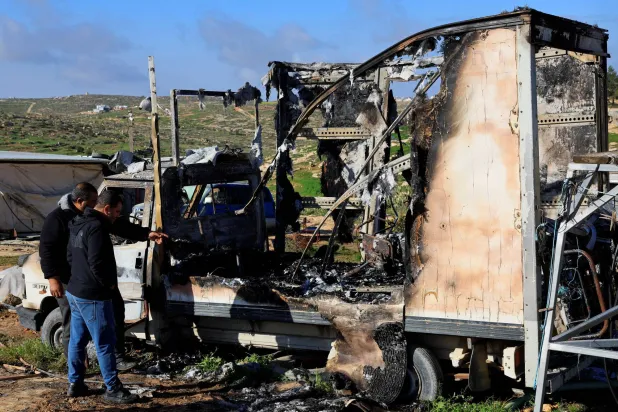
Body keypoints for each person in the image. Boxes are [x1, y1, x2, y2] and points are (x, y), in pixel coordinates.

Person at [40, 183, 166, 369]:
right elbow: (47, 249)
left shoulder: (93, 216)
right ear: (79, 201)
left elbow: (118, 225)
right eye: (92, 202)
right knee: (73, 323)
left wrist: (146, 233)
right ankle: (76, 366)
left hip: (95, 279)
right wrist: (53, 277)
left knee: (115, 311)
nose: (95, 205)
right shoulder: (58, 218)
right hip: (71, 280)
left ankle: (117, 357)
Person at [65, 190, 136, 403]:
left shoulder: (77, 222)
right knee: (104, 342)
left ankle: (75, 383)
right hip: (93, 295)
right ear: (106, 209)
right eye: (116, 211)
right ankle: (112, 388)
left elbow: (70, 255)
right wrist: (109, 285)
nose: (117, 216)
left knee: (77, 341)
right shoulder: (97, 228)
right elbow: (97, 262)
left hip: (75, 291)